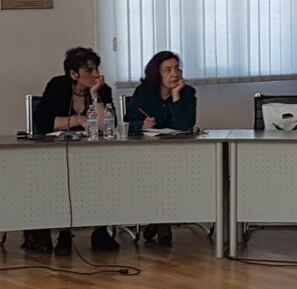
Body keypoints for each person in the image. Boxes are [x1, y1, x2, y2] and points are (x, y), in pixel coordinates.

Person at [30, 46, 121, 255]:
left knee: (104, 177)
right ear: (73, 74)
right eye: (89, 70)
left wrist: (95, 95)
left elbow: (108, 125)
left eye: (96, 69)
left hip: (93, 153)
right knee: (62, 180)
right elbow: (44, 122)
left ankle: (100, 230)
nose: (96, 74)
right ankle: (64, 233)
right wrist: (79, 120)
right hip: (60, 150)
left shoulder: (102, 89)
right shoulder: (58, 87)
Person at [126, 50, 198, 246]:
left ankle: (158, 220)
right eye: (168, 70)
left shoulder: (188, 92)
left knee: (169, 173)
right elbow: (127, 123)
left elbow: (185, 125)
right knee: (157, 173)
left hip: (178, 153)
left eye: (177, 69)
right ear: (156, 73)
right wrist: (141, 125)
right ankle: (162, 221)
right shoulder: (143, 93)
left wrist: (175, 97)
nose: (174, 74)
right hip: (147, 153)